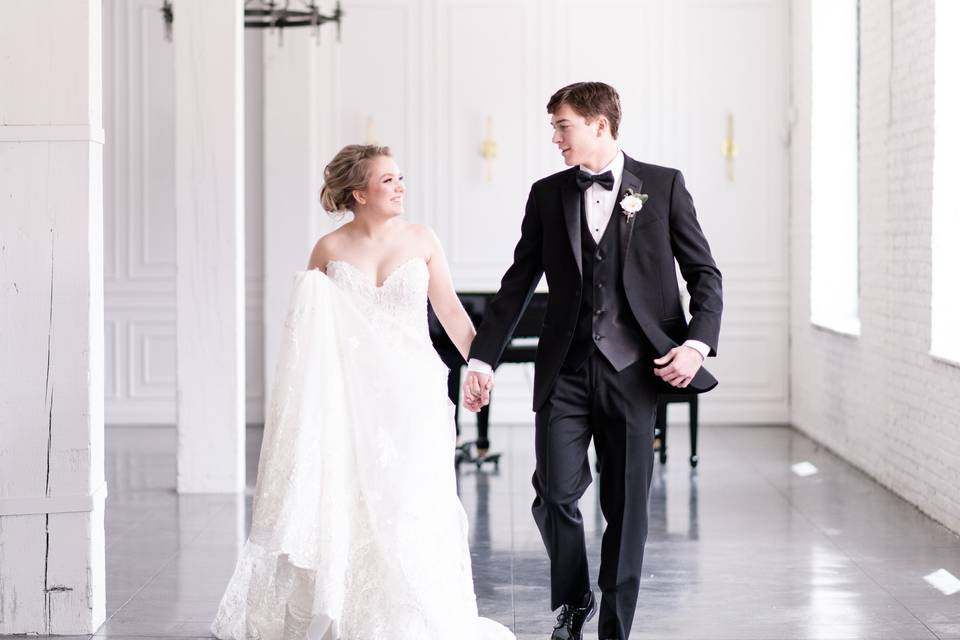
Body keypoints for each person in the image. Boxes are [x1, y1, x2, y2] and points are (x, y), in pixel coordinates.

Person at [211, 144, 515, 640]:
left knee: (413, 497)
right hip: (350, 399)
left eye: (400, 178)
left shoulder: (422, 239)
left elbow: (453, 313)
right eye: (389, 180)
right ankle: (353, 613)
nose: (401, 187)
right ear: (359, 192)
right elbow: (303, 337)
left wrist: (480, 367)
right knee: (352, 498)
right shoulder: (328, 251)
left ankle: (416, 614)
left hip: (413, 394)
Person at [463, 82, 723, 640]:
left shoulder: (663, 186)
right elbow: (517, 286)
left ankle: (613, 628)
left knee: (626, 510)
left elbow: (705, 275)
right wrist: (482, 360)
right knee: (554, 493)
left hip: (636, 373)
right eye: (554, 127)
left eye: (563, 126)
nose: (555, 137)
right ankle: (574, 598)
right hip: (567, 370)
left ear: (599, 125)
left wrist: (696, 344)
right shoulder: (546, 194)